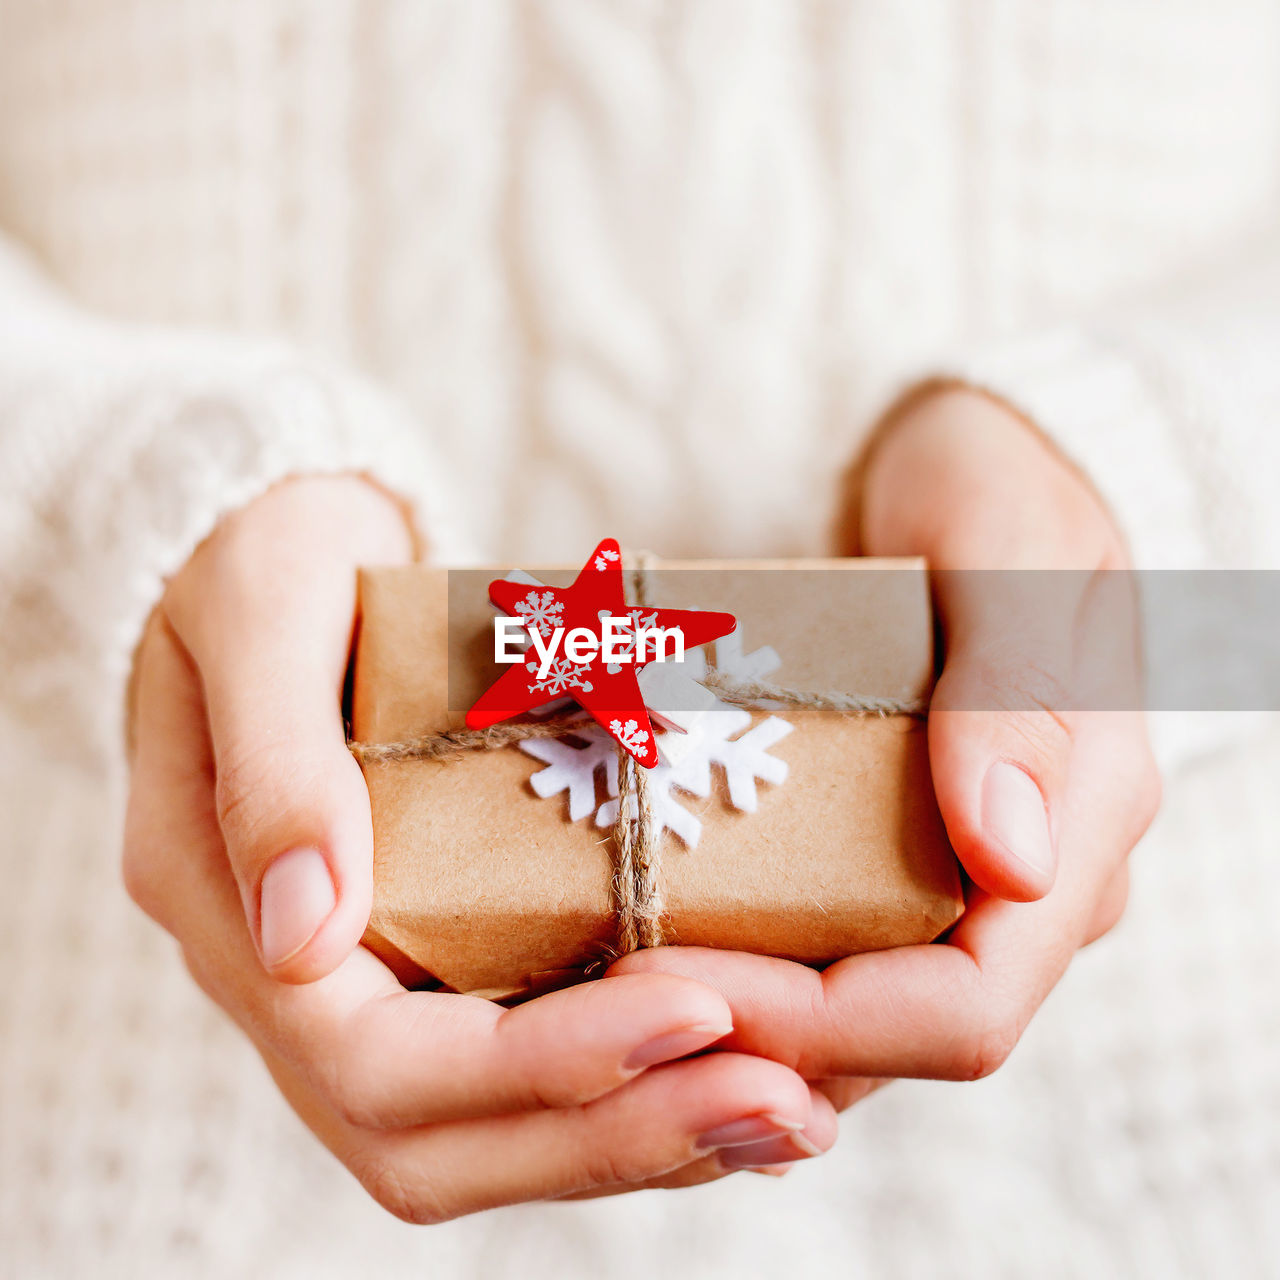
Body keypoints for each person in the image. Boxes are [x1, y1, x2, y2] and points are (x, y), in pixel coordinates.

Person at [1, 1, 1277, 1269]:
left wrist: (1143, 535)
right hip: (127, 1170)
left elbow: (1249, 622)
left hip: (1165, 1163)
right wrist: (115, 506)